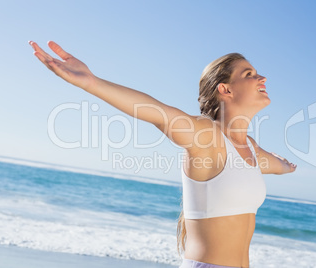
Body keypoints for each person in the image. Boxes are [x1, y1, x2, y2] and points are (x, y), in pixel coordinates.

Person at [29, 41, 296, 268]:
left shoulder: (248, 146)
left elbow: (270, 163)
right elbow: (157, 112)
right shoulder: (207, 136)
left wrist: (285, 166)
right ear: (225, 89)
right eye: (249, 74)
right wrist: (92, 83)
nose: (262, 78)